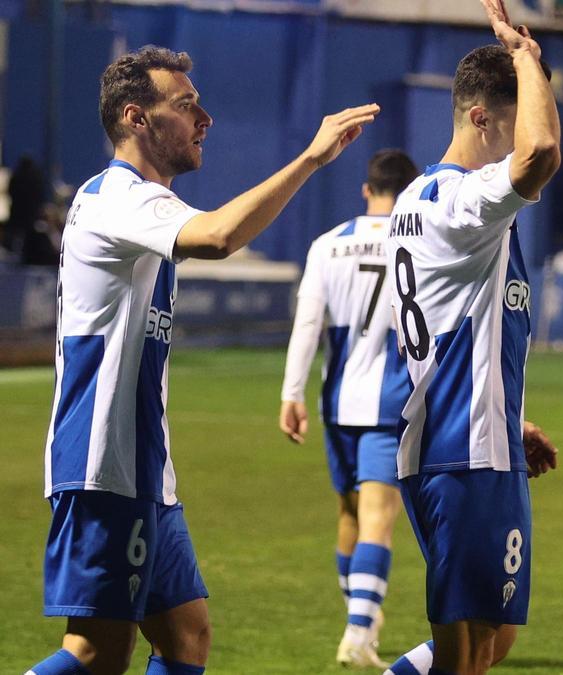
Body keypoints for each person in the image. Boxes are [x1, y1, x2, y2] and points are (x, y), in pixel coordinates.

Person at [30, 45, 376, 675]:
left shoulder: (139, 205)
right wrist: (310, 158)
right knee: (96, 653)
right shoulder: (118, 197)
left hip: (144, 470)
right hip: (104, 462)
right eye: (186, 105)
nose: (205, 118)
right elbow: (220, 236)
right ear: (137, 118)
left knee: (187, 637)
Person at [383, 1, 560, 673]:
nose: (525, 138)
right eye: (514, 121)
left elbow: (451, 330)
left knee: (491, 637)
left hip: (468, 440)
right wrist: (524, 54)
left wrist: (508, 416)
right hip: (463, 455)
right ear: (481, 118)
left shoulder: (419, 201)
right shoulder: (461, 200)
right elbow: (543, 153)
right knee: (467, 650)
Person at [278, 149, 418, 667]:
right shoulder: (419, 242)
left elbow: (307, 325)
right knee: (380, 517)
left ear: (366, 190)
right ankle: (359, 633)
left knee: (350, 512)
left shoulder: (326, 245)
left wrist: (292, 393)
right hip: (391, 401)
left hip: (337, 402)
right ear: (411, 189)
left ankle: (361, 620)